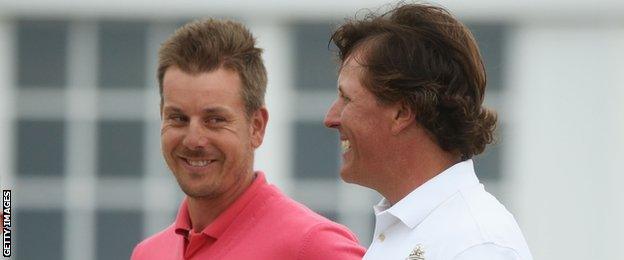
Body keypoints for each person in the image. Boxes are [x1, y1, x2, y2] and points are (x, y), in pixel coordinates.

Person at [131, 18, 365, 260]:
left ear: (256, 127)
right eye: (178, 118)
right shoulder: (148, 253)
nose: (193, 140)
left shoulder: (312, 245)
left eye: (214, 120)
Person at [324, 3, 533, 260]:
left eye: (347, 98)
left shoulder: (478, 244)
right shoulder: (417, 231)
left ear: (402, 112)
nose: (330, 118)